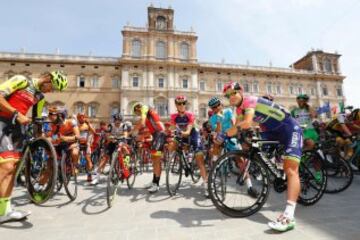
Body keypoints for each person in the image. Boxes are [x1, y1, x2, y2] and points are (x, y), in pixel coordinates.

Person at [224, 82, 302, 232]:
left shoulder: (249, 100)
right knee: (252, 146)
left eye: (233, 93)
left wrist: (224, 134)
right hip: (272, 131)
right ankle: (274, 170)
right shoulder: (239, 109)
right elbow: (239, 126)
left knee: (290, 169)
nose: (231, 97)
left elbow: (246, 122)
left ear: (241, 92)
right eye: (227, 95)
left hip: (289, 128)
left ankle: (289, 216)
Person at [0, 71, 67, 224]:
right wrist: (16, 114)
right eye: (53, 87)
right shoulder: (21, 80)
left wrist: (42, 139)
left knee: (12, 169)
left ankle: (4, 211)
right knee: (7, 166)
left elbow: (37, 121)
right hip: (2, 122)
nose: (51, 91)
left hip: (18, 129)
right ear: (47, 79)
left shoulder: (40, 98)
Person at [208, 96, 258, 198]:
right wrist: (218, 121)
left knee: (240, 161)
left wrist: (233, 134)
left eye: (217, 105)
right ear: (212, 109)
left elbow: (233, 124)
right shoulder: (212, 118)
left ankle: (249, 186)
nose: (216, 108)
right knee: (215, 146)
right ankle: (214, 166)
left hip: (231, 135)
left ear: (221, 105)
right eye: (213, 107)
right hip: (221, 135)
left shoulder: (228, 111)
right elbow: (217, 131)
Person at [167, 96, 207, 196]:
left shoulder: (190, 115)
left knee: (199, 159)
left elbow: (188, 131)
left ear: (185, 104)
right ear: (176, 105)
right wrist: (169, 132)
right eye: (179, 103)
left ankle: (206, 184)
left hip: (193, 134)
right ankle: (178, 159)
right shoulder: (173, 116)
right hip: (181, 134)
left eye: (183, 103)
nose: (181, 105)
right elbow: (172, 127)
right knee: (171, 144)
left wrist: (179, 132)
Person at [132, 102, 166, 193]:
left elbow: (142, 123)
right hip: (156, 135)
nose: (138, 114)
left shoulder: (144, 107)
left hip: (160, 134)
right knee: (154, 159)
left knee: (156, 159)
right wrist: (133, 133)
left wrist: (136, 132)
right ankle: (154, 181)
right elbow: (140, 125)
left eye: (137, 113)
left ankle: (156, 184)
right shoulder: (147, 116)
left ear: (138, 108)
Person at [77, 113, 96, 182]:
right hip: (78, 143)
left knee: (88, 159)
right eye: (80, 117)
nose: (81, 118)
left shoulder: (87, 125)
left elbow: (94, 131)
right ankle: (75, 168)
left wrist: (89, 124)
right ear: (78, 118)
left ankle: (89, 175)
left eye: (83, 117)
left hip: (86, 144)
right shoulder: (76, 125)